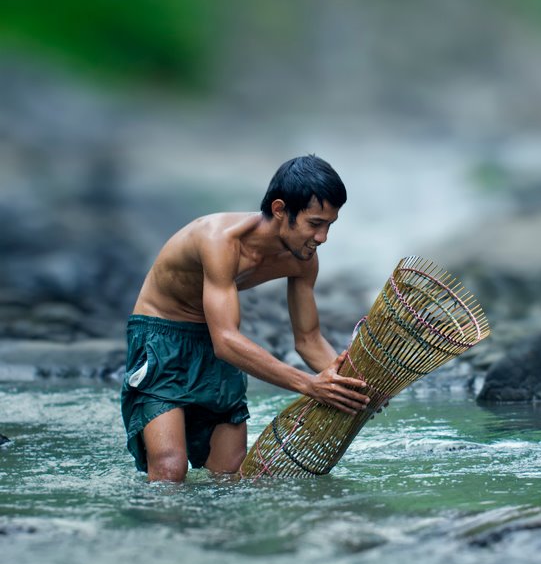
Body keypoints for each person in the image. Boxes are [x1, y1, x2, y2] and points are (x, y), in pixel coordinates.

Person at [120, 155, 370, 482]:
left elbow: (308, 340)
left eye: (329, 225)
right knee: (169, 469)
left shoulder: (303, 258)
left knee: (231, 473)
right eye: (314, 223)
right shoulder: (219, 240)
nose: (322, 237)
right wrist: (311, 385)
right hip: (163, 337)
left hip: (216, 338)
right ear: (280, 210)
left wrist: (353, 387)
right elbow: (226, 342)